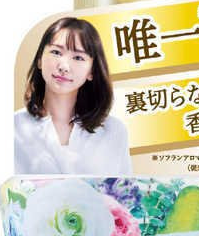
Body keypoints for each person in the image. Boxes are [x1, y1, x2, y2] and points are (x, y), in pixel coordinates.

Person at [14, 17, 132, 175]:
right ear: (40, 60)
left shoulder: (114, 131)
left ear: (91, 71)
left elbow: (124, 188)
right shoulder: (14, 127)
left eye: (78, 57)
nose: (64, 66)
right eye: (56, 52)